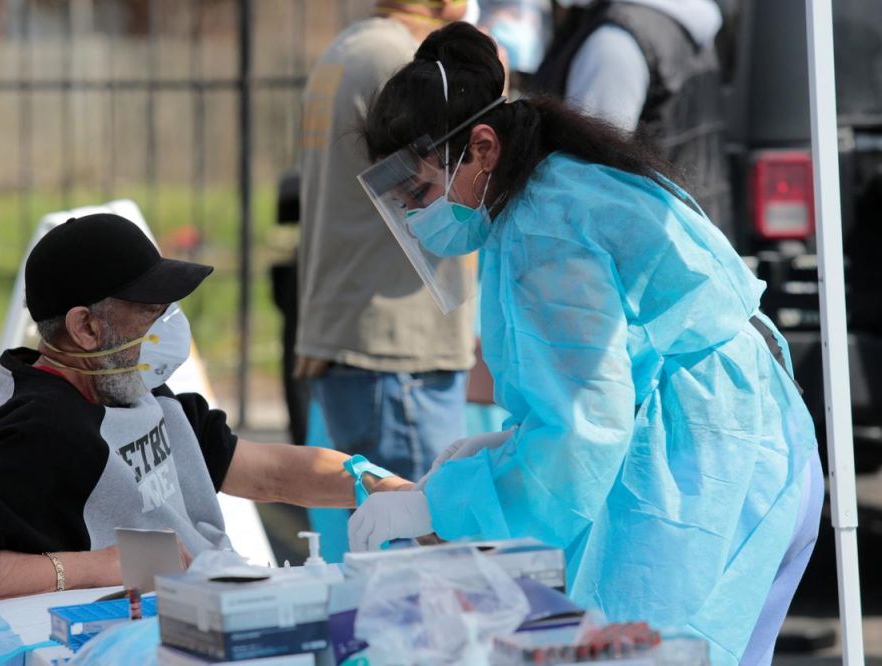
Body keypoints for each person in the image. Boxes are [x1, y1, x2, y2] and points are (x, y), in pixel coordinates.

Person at [347, 23, 822, 666]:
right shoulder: (568, 182)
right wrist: (506, 448)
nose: (416, 217)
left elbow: (581, 435)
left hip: (706, 469)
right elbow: (610, 379)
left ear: (482, 148)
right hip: (759, 445)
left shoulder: (543, 232)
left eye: (422, 192)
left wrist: (440, 503)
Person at [0, 214, 410, 621]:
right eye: (151, 308)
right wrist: (104, 566)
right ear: (85, 327)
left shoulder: (137, 390)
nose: (169, 324)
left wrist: (396, 493)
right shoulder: (42, 429)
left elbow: (268, 470)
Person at [295, 0, 475, 482]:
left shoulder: (351, 48)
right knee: (419, 540)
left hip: (369, 336)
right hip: (397, 348)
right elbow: (454, 186)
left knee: (390, 538)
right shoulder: (405, 60)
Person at [525, 0, 731, 238]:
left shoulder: (614, 40)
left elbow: (587, 180)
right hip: (688, 242)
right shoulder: (676, 23)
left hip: (645, 252)